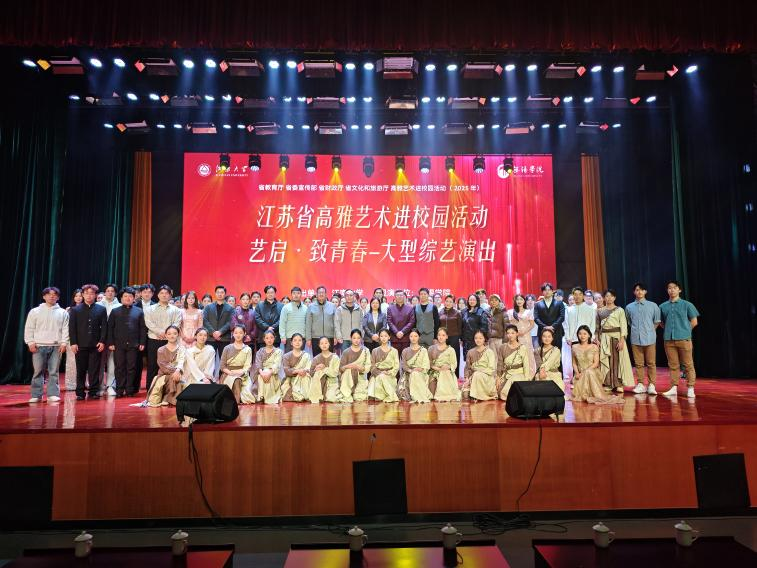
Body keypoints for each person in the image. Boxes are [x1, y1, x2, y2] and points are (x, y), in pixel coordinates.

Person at [24, 287, 69, 403]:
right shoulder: (35, 311)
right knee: (38, 371)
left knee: (53, 372)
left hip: (56, 346)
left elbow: (66, 329)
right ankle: (36, 395)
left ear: (58, 297)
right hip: (39, 345)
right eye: (49, 294)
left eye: (54, 294)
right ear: (44, 296)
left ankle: (52, 394)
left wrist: (64, 343)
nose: (52, 296)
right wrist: (30, 342)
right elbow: (29, 328)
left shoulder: (63, 312)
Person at [659, 280, 700, 398]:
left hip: (684, 339)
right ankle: (673, 387)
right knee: (673, 365)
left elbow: (694, 321)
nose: (672, 290)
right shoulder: (662, 306)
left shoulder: (687, 305)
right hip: (669, 339)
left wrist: (685, 331)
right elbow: (661, 322)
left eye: (674, 287)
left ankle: (690, 388)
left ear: (679, 290)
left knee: (688, 364)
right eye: (669, 288)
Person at [68, 284, 107, 400]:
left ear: (95, 295)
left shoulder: (101, 309)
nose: (89, 295)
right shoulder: (75, 310)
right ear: (83, 295)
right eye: (86, 293)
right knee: (81, 369)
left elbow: (104, 327)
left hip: (96, 345)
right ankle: (80, 392)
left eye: (92, 293)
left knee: (94, 370)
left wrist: (102, 341)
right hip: (80, 345)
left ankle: (93, 391)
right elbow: (72, 328)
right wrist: (73, 343)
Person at [106, 286, 146, 397]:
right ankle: (119, 389)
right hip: (118, 344)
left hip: (134, 344)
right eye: (125, 296)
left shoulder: (139, 311)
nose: (128, 298)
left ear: (134, 298)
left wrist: (142, 342)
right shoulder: (115, 311)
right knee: (119, 367)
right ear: (121, 298)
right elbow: (110, 328)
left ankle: (129, 390)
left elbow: (142, 328)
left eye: (130, 296)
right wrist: (111, 343)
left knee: (131, 368)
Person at [570, 326, 624, 404]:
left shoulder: (594, 347)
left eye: (585, 334)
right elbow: (574, 363)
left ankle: (599, 396)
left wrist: (585, 372)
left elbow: (596, 363)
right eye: (580, 334)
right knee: (587, 373)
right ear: (577, 335)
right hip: (580, 375)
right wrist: (577, 373)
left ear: (589, 335)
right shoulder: (574, 347)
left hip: (592, 372)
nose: (582, 336)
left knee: (589, 372)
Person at [144, 285, 182, 392]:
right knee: (152, 365)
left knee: (169, 365)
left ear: (170, 295)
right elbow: (148, 322)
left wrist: (167, 334)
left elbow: (177, 323)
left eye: (166, 293)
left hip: (170, 341)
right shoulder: (150, 309)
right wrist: (159, 332)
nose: (164, 295)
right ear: (158, 295)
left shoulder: (176, 310)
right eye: (162, 293)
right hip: (154, 339)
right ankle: (151, 389)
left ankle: (167, 389)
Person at [625, 282, 662, 395]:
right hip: (636, 338)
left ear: (645, 291)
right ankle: (640, 384)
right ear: (634, 292)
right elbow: (629, 322)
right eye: (637, 290)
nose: (639, 292)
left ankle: (652, 385)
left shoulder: (653, 305)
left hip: (650, 338)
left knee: (651, 363)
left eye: (641, 289)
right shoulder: (629, 307)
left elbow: (657, 321)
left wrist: (649, 330)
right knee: (638, 363)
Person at [596, 289, 634, 393]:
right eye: (607, 296)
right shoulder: (600, 311)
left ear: (615, 298)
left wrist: (622, 340)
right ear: (604, 298)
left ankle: (618, 384)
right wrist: (597, 339)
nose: (609, 298)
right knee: (606, 360)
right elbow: (597, 327)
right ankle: (608, 383)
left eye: (611, 296)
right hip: (604, 338)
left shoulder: (620, 310)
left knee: (618, 360)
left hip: (617, 337)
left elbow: (623, 326)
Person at [145, 325, 186, 407]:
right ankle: (169, 398)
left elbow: (182, 362)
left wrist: (178, 371)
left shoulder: (181, 348)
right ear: (166, 335)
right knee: (172, 378)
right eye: (169, 334)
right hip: (163, 375)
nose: (172, 336)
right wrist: (176, 371)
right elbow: (163, 366)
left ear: (178, 335)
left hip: (178, 374)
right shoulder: (161, 349)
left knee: (178, 380)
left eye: (174, 333)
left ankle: (168, 398)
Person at [202, 285, 235, 369]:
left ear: (225, 294)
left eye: (222, 292)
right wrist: (213, 332)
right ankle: (209, 377)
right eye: (218, 292)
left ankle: (222, 376)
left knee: (224, 361)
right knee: (209, 361)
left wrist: (220, 332)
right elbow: (205, 321)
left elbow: (230, 322)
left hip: (224, 338)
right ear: (215, 293)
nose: (220, 294)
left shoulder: (230, 308)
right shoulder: (208, 307)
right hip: (210, 338)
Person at [220, 325, 255, 403]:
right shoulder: (227, 348)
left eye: (240, 333)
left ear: (244, 334)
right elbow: (222, 366)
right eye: (236, 333)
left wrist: (240, 372)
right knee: (236, 380)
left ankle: (237, 400)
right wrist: (231, 373)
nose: (238, 335)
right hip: (228, 374)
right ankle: (236, 401)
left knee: (248, 398)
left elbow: (248, 366)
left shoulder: (248, 349)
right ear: (233, 334)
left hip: (243, 375)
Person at [497, 324, 532, 400]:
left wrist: (526, 380)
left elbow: (526, 364)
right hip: (507, 374)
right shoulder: (503, 347)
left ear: (517, 334)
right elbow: (500, 364)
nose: (510, 335)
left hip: (519, 374)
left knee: (511, 384)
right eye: (508, 333)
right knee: (496, 389)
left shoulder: (522, 347)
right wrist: (498, 377)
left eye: (512, 333)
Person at [98, 283, 121, 397]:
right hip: (100, 338)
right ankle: (99, 386)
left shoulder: (119, 306)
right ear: (105, 292)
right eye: (108, 291)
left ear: (115, 293)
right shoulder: (98, 305)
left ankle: (111, 386)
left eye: (112, 291)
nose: (110, 293)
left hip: (114, 338)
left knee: (112, 363)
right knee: (99, 363)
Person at [564, 288, 596, 368]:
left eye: (579, 294)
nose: (577, 296)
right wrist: (568, 337)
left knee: (588, 362)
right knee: (576, 363)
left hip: (587, 339)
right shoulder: (569, 309)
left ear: (583, 296)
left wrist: (591, 337)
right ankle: (577, 376)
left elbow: (593, 324)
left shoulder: (590, 309)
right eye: (575, 294)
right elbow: (566, 325)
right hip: (574, 339)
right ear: (573, 296)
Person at [462, 329, 497, 401]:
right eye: (476, 338)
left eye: (480, 338)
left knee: (477, 374)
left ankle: (478, 395)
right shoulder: (470, 352)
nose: (478, 340)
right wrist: (467, 379)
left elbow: (491, 369)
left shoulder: (489, 352)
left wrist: (478, 372)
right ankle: (475, 393)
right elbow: (467, 368)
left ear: (484, 339)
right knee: (465, 395)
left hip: (486, 378)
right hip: (473, 378)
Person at [398, 329, 432, 403]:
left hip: (421, 373)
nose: (413, 338)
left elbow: (426, 365)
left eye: (415, 336)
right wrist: (411, 371)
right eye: (411, 336)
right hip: (408, 373)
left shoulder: (423, 350)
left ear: (419, 337)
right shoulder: (405, 351)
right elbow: (404, 365)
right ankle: (416, 397)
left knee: (416, 374)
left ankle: (418, 396)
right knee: (414, 374)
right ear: (409, 337)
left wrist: (419, 369)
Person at [428, 327, 461, 402]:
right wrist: (438, 369)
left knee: (445, 373)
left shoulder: (451, 350)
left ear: (447, 337)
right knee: (432, 393)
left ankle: (446, 396)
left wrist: (448, 367)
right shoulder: (431, 348)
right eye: (439, 335)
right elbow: (429, 363)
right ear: (437, 336)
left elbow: (454, 364)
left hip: (447, 372)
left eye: (443, 335)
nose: (441, 337)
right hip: (434, 372)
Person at [339, 329, 372, 403]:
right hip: (347, 379)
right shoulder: (346, 352)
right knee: (346, 395)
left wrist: (357, 367)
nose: (356, 340)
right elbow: (341, 369)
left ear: (361, 339)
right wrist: (349, 366)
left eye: (358, 338)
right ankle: (348, 390)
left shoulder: (366, 351)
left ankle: (354, 391)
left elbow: (368, 368)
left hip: (360, 378)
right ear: (350, 338)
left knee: (360, 397)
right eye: (354, 338)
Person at [368, 329, 400, 402]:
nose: (383, 338)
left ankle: (389, 396)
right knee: (380, 377)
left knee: (383, 377)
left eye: (385, 336)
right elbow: (372, 366)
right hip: (377, 375)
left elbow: (396, 366)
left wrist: (388, 373)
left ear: (389, 337)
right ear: (379, 337)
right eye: (381, 336)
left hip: (389, 376)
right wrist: (380, 373)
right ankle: (388, 395)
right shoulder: (375, 351)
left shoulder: (394, 351)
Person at [252, 329, 283, 404]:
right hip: (261, 373)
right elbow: (258, 365)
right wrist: (262, 373)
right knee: (261, 377)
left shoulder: (278, 351)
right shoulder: (260, 351)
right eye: (267, 338)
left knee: (269, 375)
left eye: (271, 337)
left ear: (274, 338)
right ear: (264, 339)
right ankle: (261, 396)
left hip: (273, 374)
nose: (269, 340)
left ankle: (268, 397)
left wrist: (269, 372)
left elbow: (277, 364)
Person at [281, 333, 314, 402]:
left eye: (299, 340)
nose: (297, 342)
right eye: (295, 340)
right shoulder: (286, 356)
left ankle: (305, 395)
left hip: (304, 377)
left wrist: (304, 371)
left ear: (302, 342)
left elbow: (309, 368)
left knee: (306, 377)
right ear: (291, 343)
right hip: (291, 379)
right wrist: (297, 371)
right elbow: (287, 371)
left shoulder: (306, 355)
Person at [135, 284, 156, 391]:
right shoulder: (135, 306)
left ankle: (150, 385)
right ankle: (135, 385)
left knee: (152, 363)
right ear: (140, 293)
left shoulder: (156, 306)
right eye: (144, 292)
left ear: (153, 294)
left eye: (149, 292)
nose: (147, 294)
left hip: (152, 337)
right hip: (137, 338)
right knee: (137, 362)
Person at [509, 294, 537, 374]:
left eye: (521, 299)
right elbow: (510, 325)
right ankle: (517, 373)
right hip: (515, 337)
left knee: (528, 354)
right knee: (516, 354)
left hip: (526, 336)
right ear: (515, 301)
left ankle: (531, 374)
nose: (519, 301)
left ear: (524, 301)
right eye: (517, 299)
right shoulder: (511, 312)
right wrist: (514, 334)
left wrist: (524, 331)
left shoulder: (528, 312)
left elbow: (532, 325)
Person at [305, 286, 337, 353]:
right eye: (319, 293)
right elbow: (308, 324)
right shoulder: (311, 306)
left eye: (323, 292)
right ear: (316, 294)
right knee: (317, 358)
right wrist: (308, 338)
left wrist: (335, 336)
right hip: (315, 338)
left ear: (326, 294)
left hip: (329, 337)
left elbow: (336, 323)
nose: (321, 294)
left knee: (329, 358)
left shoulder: (332, 306)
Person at [310, 336, 342, 402]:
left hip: (332, 383)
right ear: (319, 345)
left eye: (326, 343)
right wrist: (317, 370)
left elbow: (336, 373)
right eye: (322, 343)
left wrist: (324, 368)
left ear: (329, 344)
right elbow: (311, 373)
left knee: (331, 398)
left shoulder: (335, 357)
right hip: (319, 384)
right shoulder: (316, 358)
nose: (324, 345)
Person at [533, 282, 566, 348]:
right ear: (542, 292)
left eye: (549, 290)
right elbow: (536, 318)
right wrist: (545, 327)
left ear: (552, 291)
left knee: (557, 352)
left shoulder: (559, 303)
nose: (547, 291)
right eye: (545, 290)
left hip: (556, 332)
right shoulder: (537, 304)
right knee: (543, 352)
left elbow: (562, 317)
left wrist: (552, 326)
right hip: (542, 332)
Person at [439, 295, 463, 378]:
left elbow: (460, 327)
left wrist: (460, 338)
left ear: (453, 303)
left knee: (454, 357)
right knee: (443, 357)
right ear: (444, 302)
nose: (448, 303)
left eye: (450, 302)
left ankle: (455, 377)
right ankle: (444, 377)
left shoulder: (457, 313)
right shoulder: (440, 312)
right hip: (442, 338)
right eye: (447, 301)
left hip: (454, 338)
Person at [64, 288, 83, 391]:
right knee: (71, 362)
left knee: (83, 362)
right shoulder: (68, 309)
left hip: (83, 338)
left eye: (80, 296)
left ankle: (84, 383)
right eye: (76, 296)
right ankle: (71, 384)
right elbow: (66, 325)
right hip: (71, 338)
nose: (78, 298)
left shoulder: (86, 308)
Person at [461, 293, 489, 363]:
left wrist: (480, 338)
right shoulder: (464, 311)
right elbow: (462, 326)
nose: (472, 301)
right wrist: (461, 339)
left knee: (477, 361)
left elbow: (484, 327)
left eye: (474, 300)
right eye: (470, 300)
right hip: (466, 341)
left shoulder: (481, 312)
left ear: (477, 301)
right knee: (468, 361)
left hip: (476, 341)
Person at [387, 289, 416, 353]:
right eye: (397, 295)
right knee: (395, 357)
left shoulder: (410, 308)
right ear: (395, 297)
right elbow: (389, 321)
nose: (399, 297)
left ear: (404, 297)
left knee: (405, 357)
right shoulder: (390, 308)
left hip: (406, 337)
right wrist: (396, 332)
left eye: (401, 295)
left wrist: (402, 332)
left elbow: (411, 322)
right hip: (394, 337)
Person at [280, 286, 308, 352]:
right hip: (289, 338)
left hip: (302, 337)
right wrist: (283, 336)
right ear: (291, 295)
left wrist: (307, 337)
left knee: (300, 357)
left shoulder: (306, 308)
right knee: (289, 357)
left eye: (298, 293)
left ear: (301, 294)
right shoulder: (286, 308)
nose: (296, 295)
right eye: (294, 293)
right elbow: (282, 323)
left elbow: (307, 324)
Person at [335, 289, 363, 353]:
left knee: (356, 356)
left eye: (351, 295)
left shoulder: (359, 309)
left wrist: (361, 336)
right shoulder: (340, 309)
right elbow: (337, 323)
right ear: (344, 297)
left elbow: (361, 323)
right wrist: (339, 336)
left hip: (356, 338)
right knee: (345, 357)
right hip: (344, 339)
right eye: (347, 295)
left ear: (354, 296)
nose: (349, 297)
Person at [255, 285, 283, 349]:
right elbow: (257, 319)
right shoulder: (259, 305)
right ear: (266, 294)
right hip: (263, 336)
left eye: (272, 292)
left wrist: (273, 327)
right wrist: (267, 327)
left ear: (275, 293)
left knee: (276, 354)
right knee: (263, 354)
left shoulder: (281, 306)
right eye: (268, 292)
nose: (270, 294)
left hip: (276, 336)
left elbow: (282, 319)